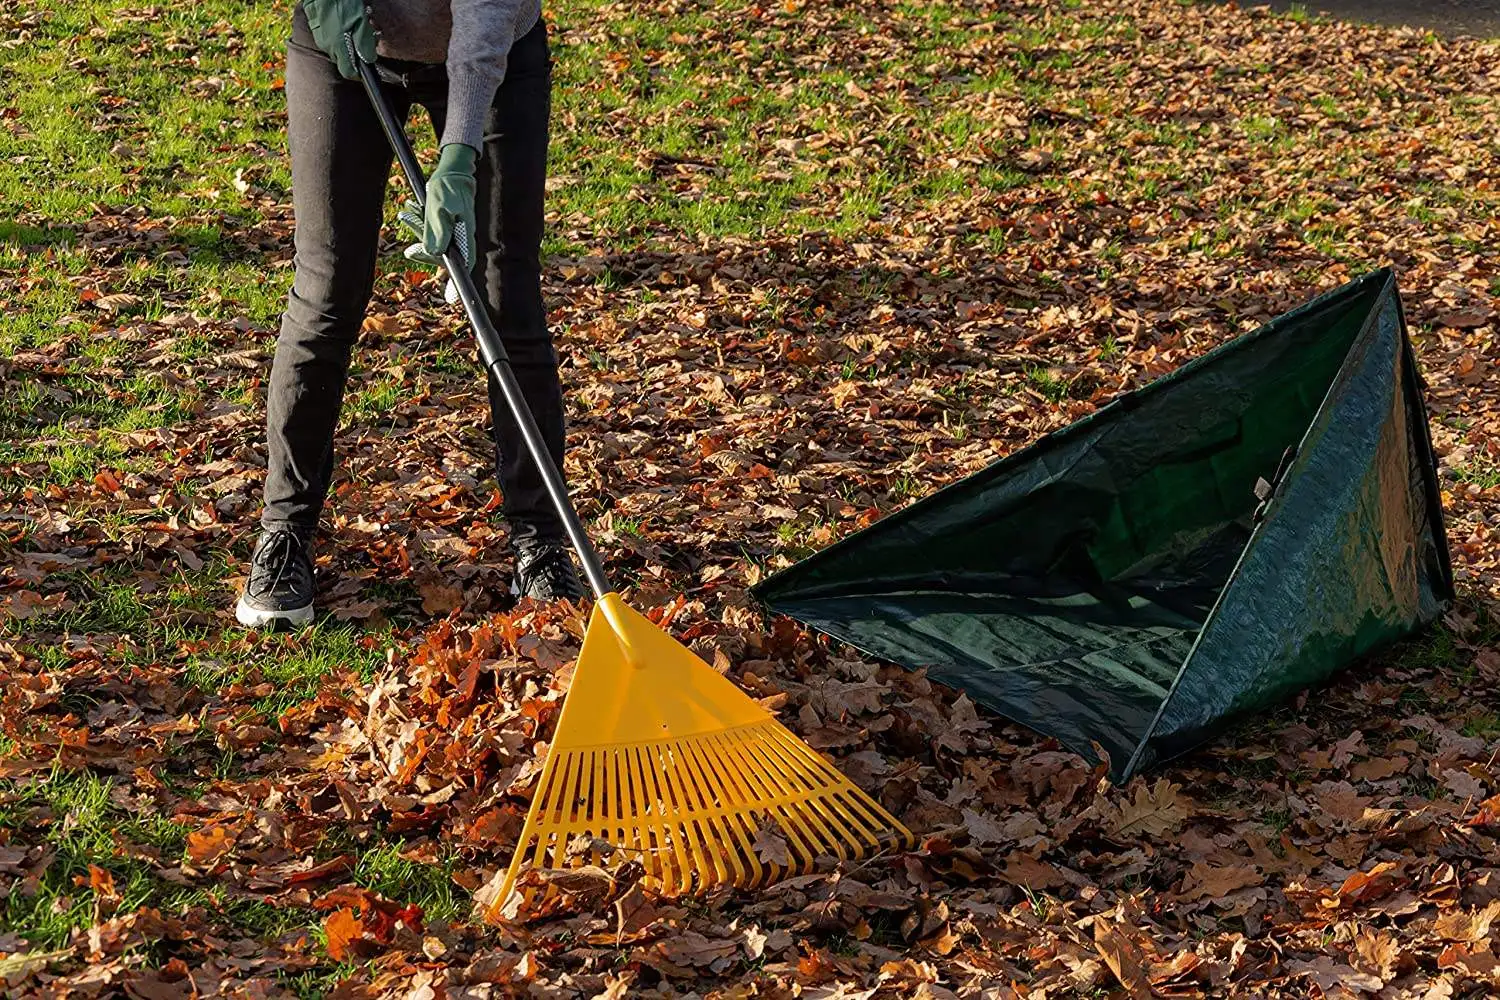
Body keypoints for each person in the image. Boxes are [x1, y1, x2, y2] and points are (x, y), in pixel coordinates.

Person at [236, 0, 585, 628]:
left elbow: (488, 14)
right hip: (339, 45)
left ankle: (542, 541)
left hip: (494, 50)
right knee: (328, 287)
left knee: (508, 295)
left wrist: (459, 158)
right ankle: (284, 531)